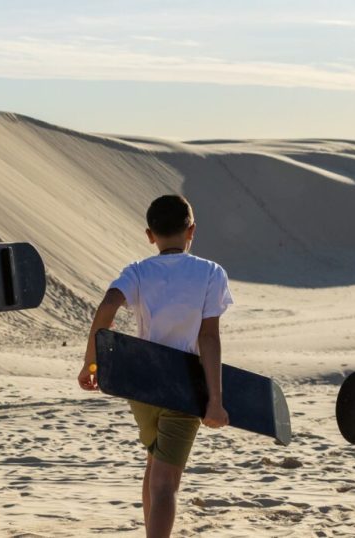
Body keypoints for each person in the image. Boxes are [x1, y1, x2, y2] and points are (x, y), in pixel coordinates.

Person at [76, 194, 231, 538]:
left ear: (150, 235)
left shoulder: (137, 271)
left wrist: (92, 362)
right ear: (192, 230)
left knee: (153, 466)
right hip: (182, 384)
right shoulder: (210, 273)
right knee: (166, 484)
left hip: (141, 384)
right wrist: (215, 401)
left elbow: (106, 308)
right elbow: (209, 338)